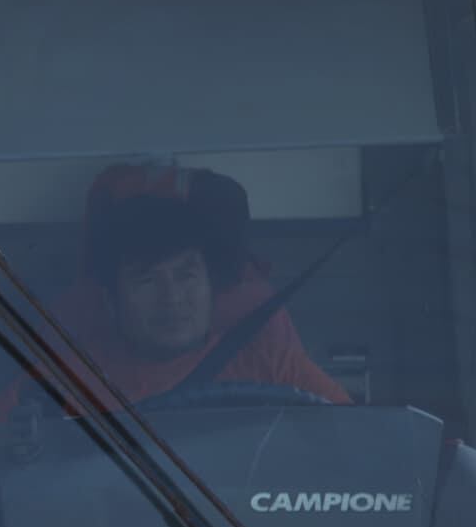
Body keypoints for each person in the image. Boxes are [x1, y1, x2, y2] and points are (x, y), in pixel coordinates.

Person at [53, 163, 347, 407]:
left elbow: (360, 439)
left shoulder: (274, 366)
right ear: (110, 300)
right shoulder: (65, 383)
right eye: (147, 280)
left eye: (186, 276)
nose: (172, 298)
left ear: (212, 286)